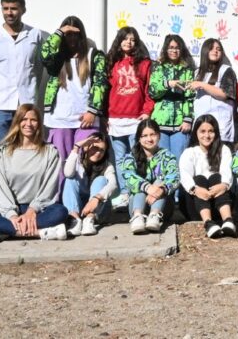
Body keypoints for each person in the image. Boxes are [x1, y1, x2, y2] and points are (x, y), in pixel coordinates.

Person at [0, 107, 68, 243]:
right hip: (9, 210)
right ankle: (40, 232)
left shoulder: (50, 152)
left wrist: (32, 211)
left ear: (39, 124)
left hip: (38, 210)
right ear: (17, 122)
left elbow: (50, 187)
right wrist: (11, 215)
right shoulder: (2, 152)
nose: (28, 124)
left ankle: (5, 232)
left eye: (33, 120)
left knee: (60, 212)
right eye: (24, 119)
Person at [40, 16, 107, 184]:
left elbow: (100, 83)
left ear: (81, 35)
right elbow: (44, 54)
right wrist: (59, 32)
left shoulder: (94, 55)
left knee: (85, 162)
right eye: (67, 34)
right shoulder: (57, 59)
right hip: (59, 119)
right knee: (61, 163)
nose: (71, 38)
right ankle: (61, 202)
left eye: (74, 34)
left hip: (86, 119)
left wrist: (92, 111)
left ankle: (85, 202)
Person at [0, 0, 46, 144]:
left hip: (26, 101)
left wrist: (30, 89)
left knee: (27, 144)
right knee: (1, 146)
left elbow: (37, 68)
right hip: (0, 102)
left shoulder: (34, 34)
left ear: (23, 10)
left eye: (14, 8)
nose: (9, 13)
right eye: (5, 8)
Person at [104, 27, 155, 205]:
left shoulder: (145, 63)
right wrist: (105, 117)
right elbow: (104, 91)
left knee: (136, 157)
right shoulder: (111, 62)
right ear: (119, 41)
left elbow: (150, 90)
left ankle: (137, 191)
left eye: (132, 39)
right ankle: (125, 192)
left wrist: (147, 111)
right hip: (115, 119)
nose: (129, 42)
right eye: (125, 39)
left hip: (136, 119)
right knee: (120, 158)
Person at [118, 118, 177, 234]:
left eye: (152, 135)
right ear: (139, 139)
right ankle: (138, 218)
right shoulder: (130, 157)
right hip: (137, 206)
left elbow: (174, 176)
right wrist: (147, 187)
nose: (149, 139)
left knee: (159, 181)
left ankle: (154, 215)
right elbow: (128, 176)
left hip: (163, 207)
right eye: (144, 136)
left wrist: (161, 190)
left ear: (159, 136)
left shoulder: (167, 156)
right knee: (139, 187)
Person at [180, 115, 235, 238]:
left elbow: (227, 172)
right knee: (199, 178)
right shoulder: (190, 152)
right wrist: (196, 189)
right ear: (196, 133)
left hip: (219, 203)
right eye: (202, 131)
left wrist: (223, 186)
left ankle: (228, 220)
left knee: (216, 177)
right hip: (196, 206)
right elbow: (184, 175)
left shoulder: (223, 150)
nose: (207, 135)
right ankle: (208, 223)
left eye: (211, 131)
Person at [149, 34, 196, 156]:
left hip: (181, 126)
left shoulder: (187, 70)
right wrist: (168, 84)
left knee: (178, 160)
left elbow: (190, 97)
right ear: (165, 49)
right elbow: (153, 92)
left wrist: (188, 119)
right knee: (162, 161)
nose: (174, 50)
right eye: (171, 47)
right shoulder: (158, 67)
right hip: (160, 123)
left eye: (177, 47)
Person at [62, 132, 116, 236]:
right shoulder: (77, 161)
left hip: (99, 210)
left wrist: (96, 198)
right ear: (86, 147)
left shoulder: (107, 166)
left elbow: (113, 184)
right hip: (80, 206)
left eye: (102, 150)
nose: (98, 153)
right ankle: (75, 220)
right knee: (70, 179)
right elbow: (67, 173)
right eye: (95, 148)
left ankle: (89, 220)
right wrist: (77, 147)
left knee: (100, 179)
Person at [191, 38, 238, 142]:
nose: (215, 51)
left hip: (220, 127)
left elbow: (225, 94)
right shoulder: (197, 72)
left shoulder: (227, 70)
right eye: (211, 48)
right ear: (204, 51)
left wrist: (202, 85)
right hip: (201, 127)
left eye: (218, 49)